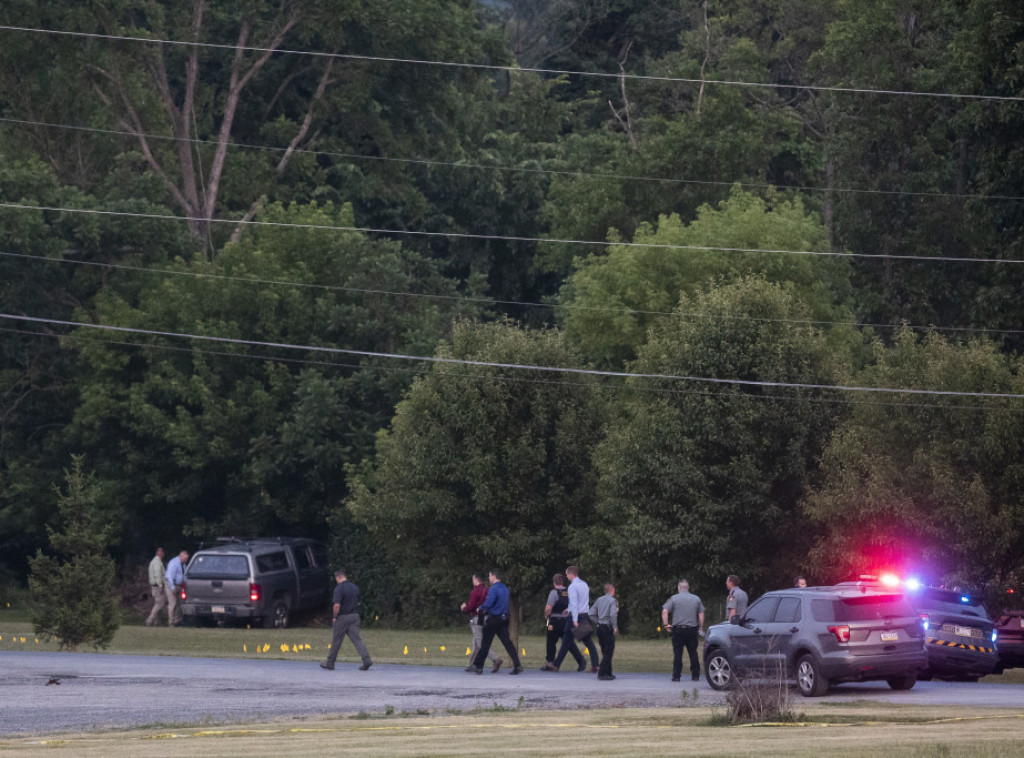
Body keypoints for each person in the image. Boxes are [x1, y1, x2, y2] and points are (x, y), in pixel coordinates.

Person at [465, 569, 523, 675]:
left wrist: (481, 608)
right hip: (503, 618)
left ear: (494, 576)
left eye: (490, 576)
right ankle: (517, 664)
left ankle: (478, 666)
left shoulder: (493, 589)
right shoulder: (505, 589)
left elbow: (489, 603)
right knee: (508, 643)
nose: (489, 578)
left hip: (493, 619)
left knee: (485, 643)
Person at [546, 565, 598, 673]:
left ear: (570, 574)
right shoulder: (584, 584)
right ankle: (595, 665)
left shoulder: (572, 587)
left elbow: (574, 604)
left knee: (566, 640)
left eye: (567, 574)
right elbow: (582, 601)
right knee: (588, 642)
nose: (566, 577)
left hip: (575, 616)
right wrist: (568, 609)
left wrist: (574, 620)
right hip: (584, 615)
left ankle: (556, 665)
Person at [320, 569, 373, 671]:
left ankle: (330, 663)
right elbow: (358, 602)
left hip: (343, 617)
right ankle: (366, 659)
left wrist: (335, 617)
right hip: (355, 616)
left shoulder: (339, 589)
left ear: (338, 577)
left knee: (336, 641)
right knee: (357, 640)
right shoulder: (354, 587)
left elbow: (336, 605)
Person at [662, 579, 705, 682]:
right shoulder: (696, 599)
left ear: (679, 588)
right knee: (693, 653)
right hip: (692, 630)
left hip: (678, 630)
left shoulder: (674, 598)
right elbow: (701, 614)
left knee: (678, 653)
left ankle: (676, 676)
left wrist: (666, 624)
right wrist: (701, 627)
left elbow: (665, 611)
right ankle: (695, 675)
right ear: (688, 588)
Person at [541, 573, 585, 671]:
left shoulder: (554, 592)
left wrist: (546, 615)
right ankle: (581, 661)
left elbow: (549, 608)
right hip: (566, 620)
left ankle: (550, 663)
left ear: (554, 582)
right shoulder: (569, 591)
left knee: (551, 641)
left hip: (554, 621)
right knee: (568, 643)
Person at [461, 572, 501, 673]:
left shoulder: (475, 592)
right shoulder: (488, 590)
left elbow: (471, 606)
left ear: (476, 579)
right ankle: (474, 663)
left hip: (477, 618)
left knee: (480, 643)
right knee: (476, 643)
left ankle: (495, 659)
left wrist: (463, 608)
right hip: (486, 618)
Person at [590, 583, 618, 681]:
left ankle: (608, 672)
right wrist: (614, 626)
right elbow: (613, 615)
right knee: (609, 650)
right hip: (607, 628)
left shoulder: (599, 600)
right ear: (612, 591)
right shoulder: (612, 601)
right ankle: (602, 672)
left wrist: (598, 621)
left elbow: (591, 613)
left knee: (604, 650)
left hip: (600, 627)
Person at [164, 550, 188, 627]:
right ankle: (170, 622)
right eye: (185, 558)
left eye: (186, 559)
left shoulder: (183, 564)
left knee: (179, 603)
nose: (186, 560)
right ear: (181, 556)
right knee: (172, 603)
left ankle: (177, 621)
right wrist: (172, 587)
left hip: (179, 585)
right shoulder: (174, 563)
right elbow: (170, 576)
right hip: (171, 584)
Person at [144, 547, 166, 627]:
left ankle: (156, 622)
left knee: (157, 603)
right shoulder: (157, 562)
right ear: (160, 554)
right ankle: (150, 620)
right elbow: (157, 575)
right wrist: (161, 586)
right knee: (159, 604)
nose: (163, 555)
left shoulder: (153, 561)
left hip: (154, 586)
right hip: (157, 586)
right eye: (162, 553)